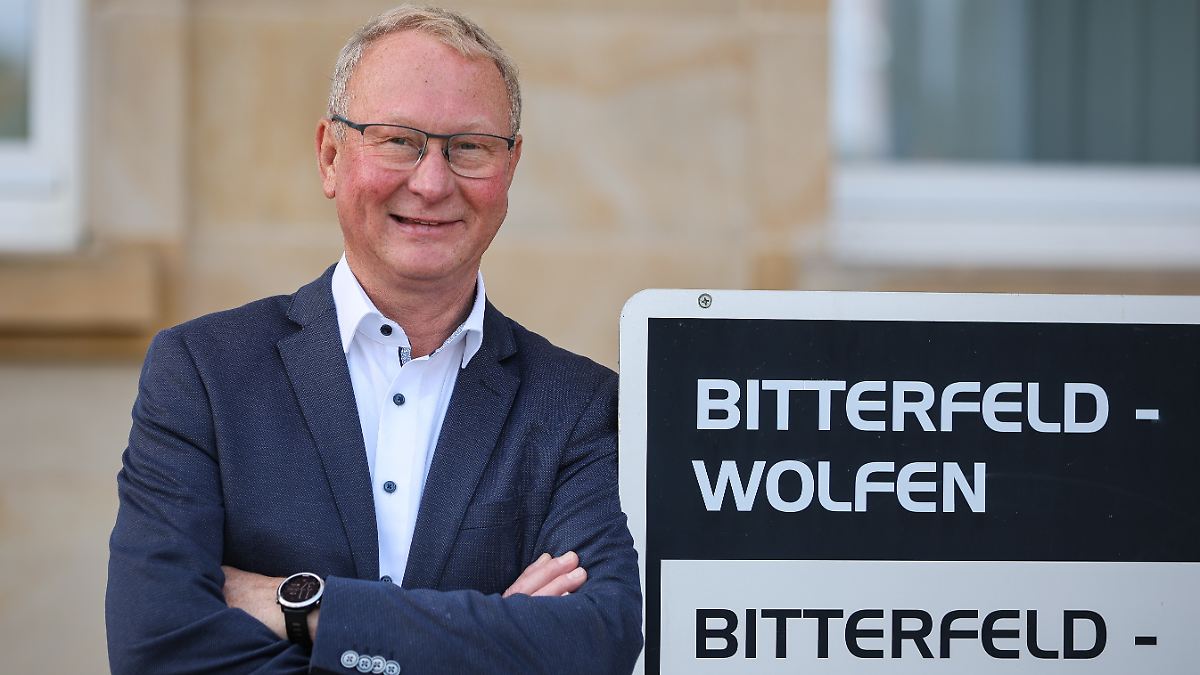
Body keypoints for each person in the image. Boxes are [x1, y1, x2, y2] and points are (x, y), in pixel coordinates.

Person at [105, 5, 642, 673]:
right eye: (398, 140)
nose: (433, 181)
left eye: (469, 146)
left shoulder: (580, 406)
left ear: (510, 169)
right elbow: (159, 648)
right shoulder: (202, 375)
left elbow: (597, 641)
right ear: (330, 155)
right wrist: (491, 636)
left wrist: (305, 607)